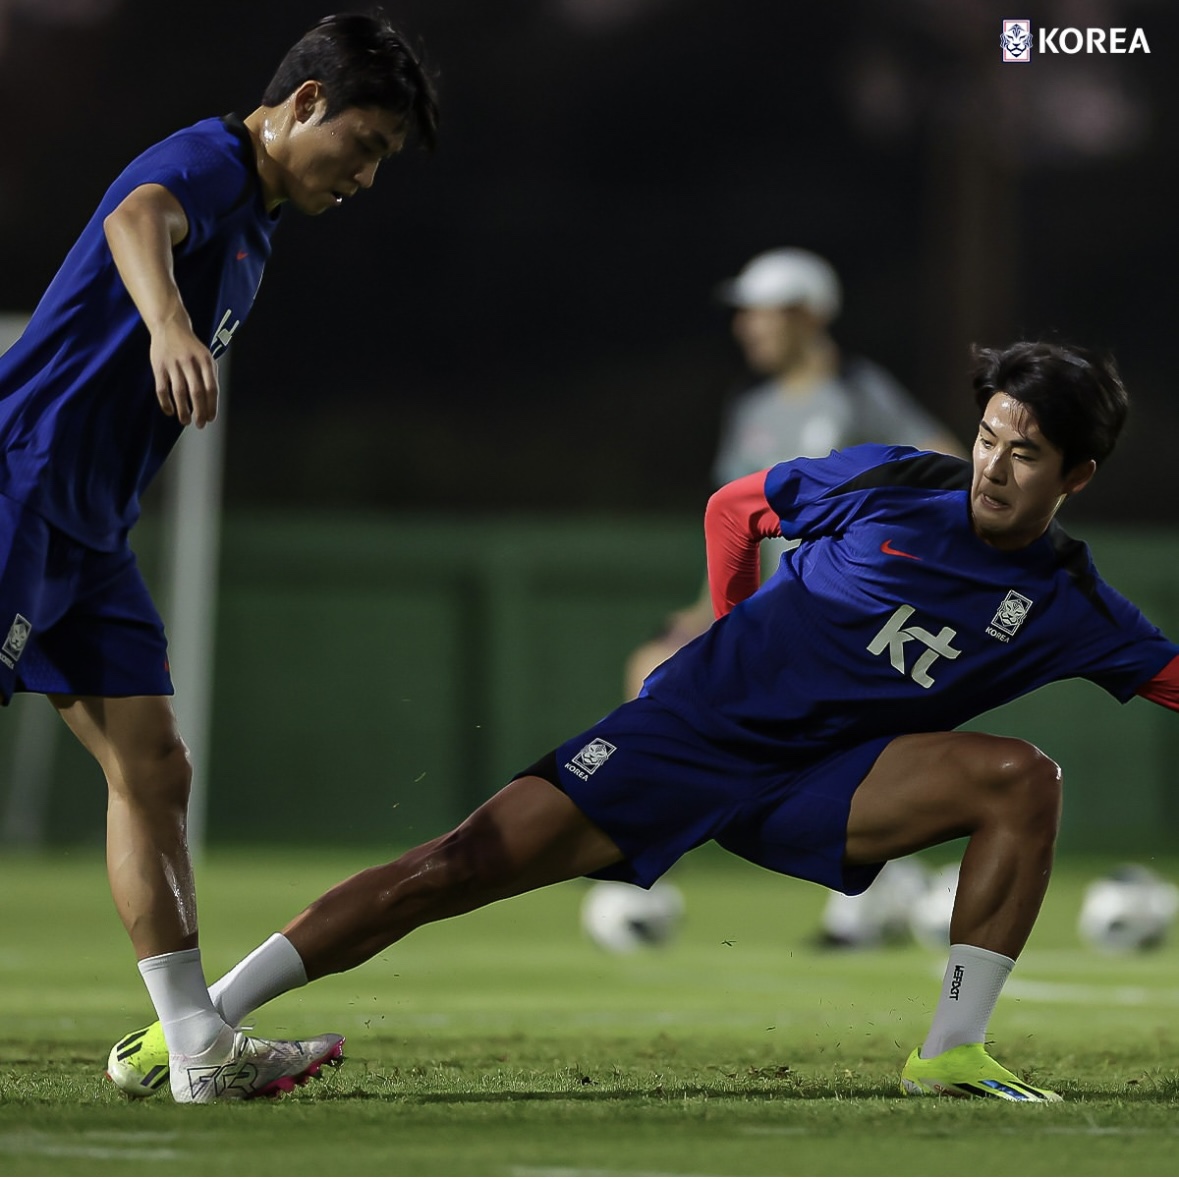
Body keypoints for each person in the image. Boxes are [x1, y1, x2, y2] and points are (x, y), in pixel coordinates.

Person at [109, 339, 1179, 1103]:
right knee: (452, 870)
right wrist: (730, 628)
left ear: (1076, 476)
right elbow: (737, 508)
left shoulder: (1070, 604)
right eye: (991, 436)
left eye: (1025, 453)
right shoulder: (898, 482)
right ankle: (190, 1028)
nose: (993, 464)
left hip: (827, 782)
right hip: (694, 736)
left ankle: (951, 1053)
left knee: (1022, 779)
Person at [0, 13, 439, 1104]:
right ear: (301, 107)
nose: (367, 177)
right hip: (20, 487)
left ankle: (194, 1043)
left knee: (155, 771)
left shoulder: (259, 226)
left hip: (92, 528)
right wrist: (164, 324)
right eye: (366, 146)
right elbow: (137, 215)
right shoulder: (208, 159)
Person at [624, 247, 963, 699]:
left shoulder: (856, 390)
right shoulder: (751, 406)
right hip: (768, 611)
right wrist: (703, 610)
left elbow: (953, 468)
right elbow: (730, 522)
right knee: (653, 668)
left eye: (762, 313)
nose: (745, 326)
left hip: (842, 614)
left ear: (807, 316)